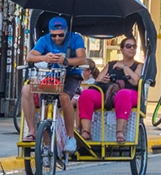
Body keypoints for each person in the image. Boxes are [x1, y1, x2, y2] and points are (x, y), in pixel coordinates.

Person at [20, 17, 86, 151]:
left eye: (60, 35)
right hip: (50, 75)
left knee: (64, 96)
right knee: (27, 90)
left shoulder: (75, 38)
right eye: (54, 35)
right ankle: (34, 133)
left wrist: (65, 61)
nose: (57, 38)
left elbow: (82, 58)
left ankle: (70, 137)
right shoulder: (44, 40)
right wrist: (44, 58)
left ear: (66, 31)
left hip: (70, 74)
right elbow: (29, 57)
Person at [77, 36, 143, 143]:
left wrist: (124, 67)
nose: (132, 48)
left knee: (123, 94)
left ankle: (120, 131)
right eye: (128, 46)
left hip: (128, 95)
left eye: (134, 46)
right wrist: (102, 80)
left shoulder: (138, 65)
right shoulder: (111, 64)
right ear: (121, 49)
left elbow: (135, 81)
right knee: (86, 94)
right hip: (107, 94)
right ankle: (86, 131)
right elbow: (97, 82)